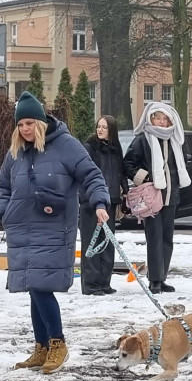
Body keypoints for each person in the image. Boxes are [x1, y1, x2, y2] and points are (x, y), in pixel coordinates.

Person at [0, 91, 110, 374]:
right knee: (33, 287)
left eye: (29, 123)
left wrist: (99, 203)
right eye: (20, 124)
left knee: (40, 286)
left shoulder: (66, 145)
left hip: (53, 228)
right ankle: (42, 346)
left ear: (41, 122)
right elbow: (3, 185)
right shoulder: (16, 152)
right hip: (22, 230)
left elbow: (92, 175)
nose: (25, 129)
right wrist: (5, 212)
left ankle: (58, 343)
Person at [123, 102, 190, 294]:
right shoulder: (143, 140)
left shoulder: (175, 140)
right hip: (152, 197)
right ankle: (154, 279)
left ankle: (162, 277)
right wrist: (146, 177)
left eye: (164, 119)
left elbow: (181, 164)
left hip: (171, 196)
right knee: (154, 238)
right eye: (157, 118)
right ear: (150, 119)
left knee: (167, 238)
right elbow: (128, 164)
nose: (161, 122)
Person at [79, 114, 127, 295]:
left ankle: (105, 282)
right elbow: (85, 174)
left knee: (107, 242)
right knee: (91, 243)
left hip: (110, 201)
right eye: (98, 126)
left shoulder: (115, 148)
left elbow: (120, 172)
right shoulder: (90, 148)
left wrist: (124, 191)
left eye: (104, 127)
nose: (100, 130)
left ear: (111, 130)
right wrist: (89, 198)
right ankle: (91, 284)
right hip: (91, 202)